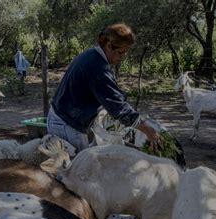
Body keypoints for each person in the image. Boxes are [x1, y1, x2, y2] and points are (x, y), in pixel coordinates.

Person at [47, 23, 161, 152]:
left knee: (70, 169)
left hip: (60, 118)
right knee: (80, 170)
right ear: (108, 45)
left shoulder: (91, 55)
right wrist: (149, 131)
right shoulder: (98, 69)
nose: (122, 57)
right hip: (68, 125)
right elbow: (119, 107)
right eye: (120, 52)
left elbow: (110, 95)